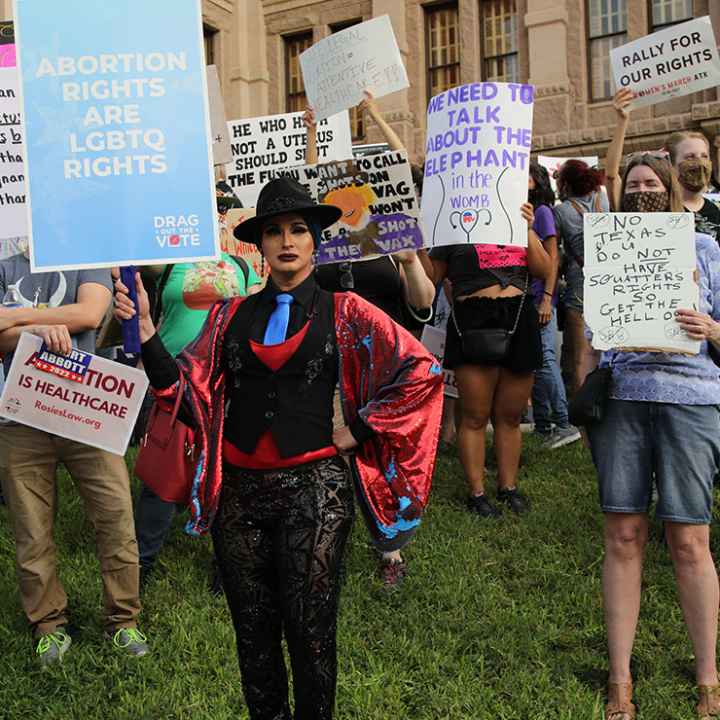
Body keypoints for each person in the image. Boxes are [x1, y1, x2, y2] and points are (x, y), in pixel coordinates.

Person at [113, 177, 442, 720]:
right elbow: (182, 392)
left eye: (298, 230)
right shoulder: (228, 316)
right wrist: (147, 331)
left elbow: (421, 370)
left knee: (310, 633)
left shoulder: (347, 310)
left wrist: (360, 428)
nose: (287, 241)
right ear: (260, 245)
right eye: (274, 232)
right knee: (253, 636)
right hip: (239, 497)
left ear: (315, 240)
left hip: (316, 494)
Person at [585, 152, 720, 720]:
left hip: (693, 399)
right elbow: (591, 333)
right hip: (623, 398)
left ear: (669, 190)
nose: (642, 190)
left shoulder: (708, 249)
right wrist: (583, 388)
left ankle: (709, 677)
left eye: (651, 183)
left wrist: (711, 327)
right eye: (633, 183)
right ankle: (620, 680)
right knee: (623, 535)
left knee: (689, 540)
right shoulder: (606, 249)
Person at [306, 97, 436, 586]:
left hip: (382, 369)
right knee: (334, 453)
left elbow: (421, 305)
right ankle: (327, 543)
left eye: (355, 195)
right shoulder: (320, 247)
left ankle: (390, 552)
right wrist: (313, 137)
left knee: (384, 457)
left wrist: (409, 263)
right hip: (333, 366)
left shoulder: (391, 241)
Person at [0, 251, 148, 665]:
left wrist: (16, 319)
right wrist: (44, 327)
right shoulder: (6, 265)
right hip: (21, 415)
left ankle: (124, 621)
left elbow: (88, 314)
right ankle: (48, 625)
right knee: (31, 529)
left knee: (115, 516)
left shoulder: (86, 255)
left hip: (87, 411)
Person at [134, 189, 262, 587]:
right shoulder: (168, 264)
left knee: (228, 471)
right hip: (172, 373)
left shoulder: (241, 266)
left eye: (221, 211)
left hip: (226, 379)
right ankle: (141, 561)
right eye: (206, 210)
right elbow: (134, 270)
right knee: (163, 468)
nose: (215, 216)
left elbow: (259, 314)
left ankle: (225, 561)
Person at [420, 204, 551, 518]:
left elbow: (544, 270)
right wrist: (418, 246)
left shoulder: (514, 214)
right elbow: (431, 280)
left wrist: (528, 228)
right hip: (472, 319)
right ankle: (476, 492)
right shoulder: (449, 222)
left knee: (509, 415)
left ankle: (508, 487)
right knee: (475, 415)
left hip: (518, 315)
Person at [606, 89, 720, 243]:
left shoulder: (715, 211)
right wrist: (622, 121)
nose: (699, 163)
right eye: (690, 157)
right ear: (671, 164)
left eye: (704, 156)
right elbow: (611, 176)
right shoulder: (657, 206)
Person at [528, 161, 580, 449]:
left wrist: (547, 298)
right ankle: (543, 424)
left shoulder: (543, 212)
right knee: (534, 361)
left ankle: (563, 423)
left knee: (546, 359)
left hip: (540, 299)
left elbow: (552, 259)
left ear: (536, 180)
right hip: (527, 299)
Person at [554, 159, 609, 394]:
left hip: (580, 287)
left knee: (580, 357)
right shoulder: (604, 199)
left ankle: (581, 417)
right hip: (611, 283)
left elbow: (554, 252)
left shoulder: (561, 211)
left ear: (565, 184)